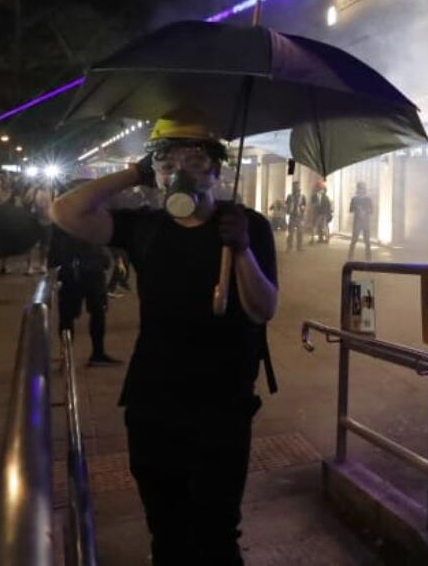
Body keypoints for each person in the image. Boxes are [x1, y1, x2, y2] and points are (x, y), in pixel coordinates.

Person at [50, 117, 277, 566]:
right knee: (166, 531)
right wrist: (135, 172)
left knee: (217, 533)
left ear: (217, 170)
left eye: (195, 159)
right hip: (153, 402)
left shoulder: (247, 225)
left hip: (222, 404)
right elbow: (65, 212)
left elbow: (264, 309)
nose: (181, 171)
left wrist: (243, 248)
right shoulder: (145, 226)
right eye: (168, 159)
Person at [49, 180, 120, 367]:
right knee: (77, 313)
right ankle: (78, 354)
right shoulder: (68, 214)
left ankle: (90, 354)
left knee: (91, 312)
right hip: (78, 268)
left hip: (86, 268)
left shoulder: (65, 213)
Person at [26, 179, 54, 274]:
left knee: (45, 245)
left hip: (48, 220)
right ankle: (30, 266)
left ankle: (43, 265)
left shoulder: (52, 190)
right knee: (31, 245)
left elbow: (54, 202)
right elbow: (25, 200)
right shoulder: (33, 190)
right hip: (34, 220)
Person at [348, 181, 374, 261]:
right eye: (360, 188)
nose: (361, 190)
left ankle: (368, 258)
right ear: (358, 189)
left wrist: (365, 211)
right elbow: (350, 210)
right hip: (357, 222)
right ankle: (350, 256)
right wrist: (357, 209)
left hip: (365, 222)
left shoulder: (368, 199)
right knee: (354, 239)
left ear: (364, 189)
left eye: (362, 188)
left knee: (367, 241)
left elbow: (371, 210)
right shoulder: (354, 199)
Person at [284, 183, 305, 252]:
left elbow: (304, 205)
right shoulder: (290, 196)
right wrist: (287, 210)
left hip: (299, 216)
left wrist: (302, 210)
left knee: (300, 232)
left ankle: (299, 247)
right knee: (291, 232)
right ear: (293, 188)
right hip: (292, 216)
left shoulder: (302, 196)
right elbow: (286, 205)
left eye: (297, 186)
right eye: (294, 187)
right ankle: (289, 247)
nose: (296, 188)